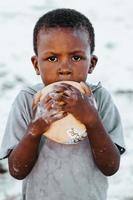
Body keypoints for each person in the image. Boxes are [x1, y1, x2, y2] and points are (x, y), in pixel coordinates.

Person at [0, 8, 125, 200]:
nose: (64, 69)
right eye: (52, 58)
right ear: (36, 64)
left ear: (91, 63)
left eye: (76, 57)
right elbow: (17, 170)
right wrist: (36, 128)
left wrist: (92, 119)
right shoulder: (27, 100)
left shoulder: (100, 99)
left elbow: (111, 167)